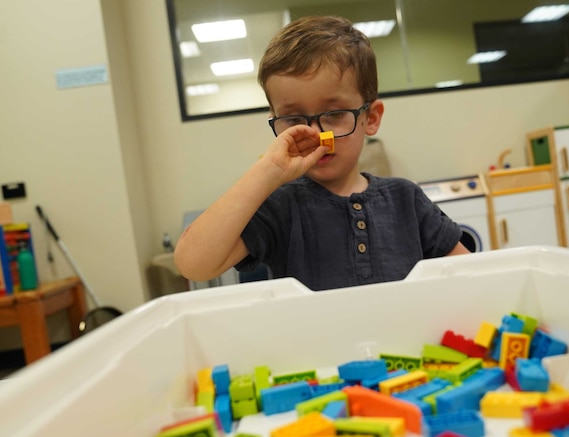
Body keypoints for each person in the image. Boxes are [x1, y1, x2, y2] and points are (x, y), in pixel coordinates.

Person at [174, 15, 468, 291]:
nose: (317, 136)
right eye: (293, 119)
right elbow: (193, 264)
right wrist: (269, 171)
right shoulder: (281, 206)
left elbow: (470, 275)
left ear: (371, 117)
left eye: (335, 114)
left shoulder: (406, 199)